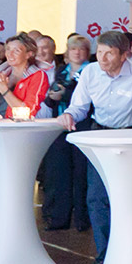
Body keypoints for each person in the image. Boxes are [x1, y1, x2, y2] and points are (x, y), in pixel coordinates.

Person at [58, 30, 132, 264]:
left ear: (124, 55)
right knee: (96, 199)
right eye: (100, 52)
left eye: (109, 53)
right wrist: (69, 115)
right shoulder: (89, 72)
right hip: (100, 136)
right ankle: (105, 258)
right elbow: (79, 106)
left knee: (129, 200)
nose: (103, 58)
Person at [0, 34, 51, 250]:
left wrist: (4, 90)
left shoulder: (37, 76)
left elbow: (26, 113)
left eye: (16, 50)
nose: (10, 54)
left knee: (0, 200)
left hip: (12, 146)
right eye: (8, 49)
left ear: (29, 54)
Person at [39, 35, 92, 231]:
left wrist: (65, 95)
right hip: (60, 127)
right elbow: (51, 99)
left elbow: (89, 100)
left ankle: (81, 219)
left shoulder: (91, 71)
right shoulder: (62, 71)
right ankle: (59, 218)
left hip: (82, 127)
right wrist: (52, 98)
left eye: (81, 49)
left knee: (80, 174)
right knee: (59, 173)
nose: (77, 52)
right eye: (73, 49)